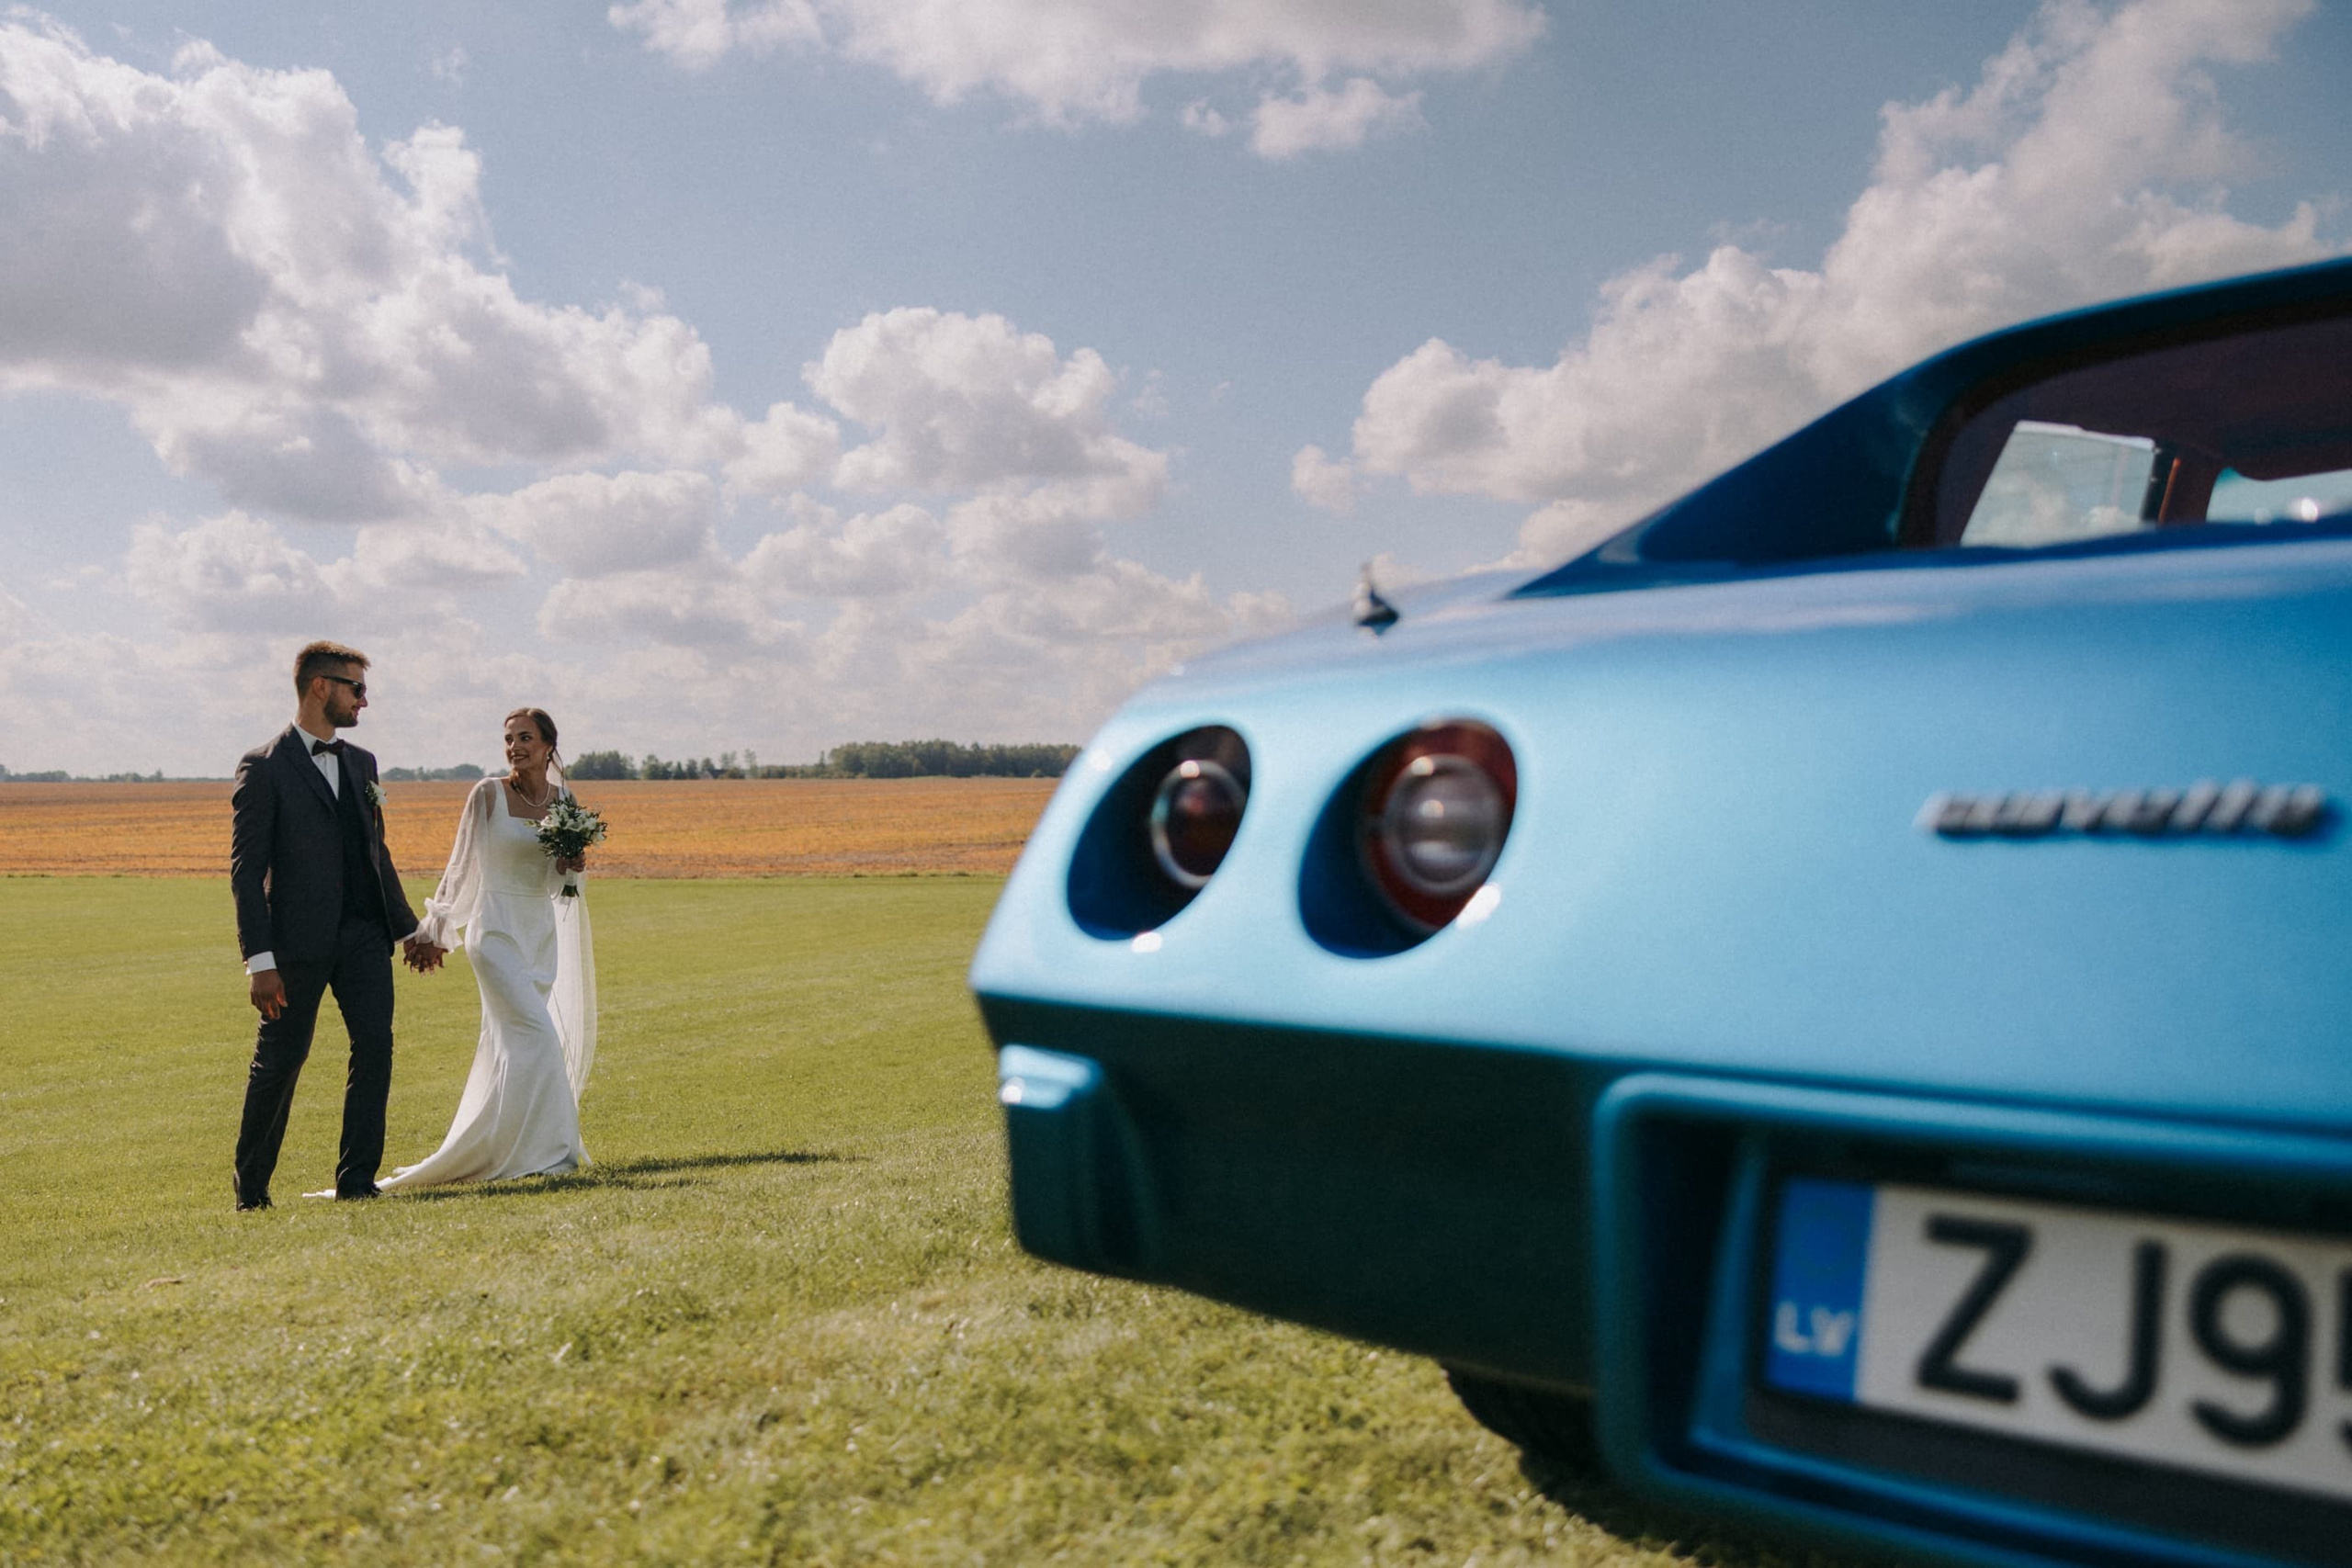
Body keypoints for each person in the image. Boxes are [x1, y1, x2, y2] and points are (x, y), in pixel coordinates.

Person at [230, 641, 442, 1209]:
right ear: (321, 687)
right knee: (280, 1062)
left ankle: (357, 1181)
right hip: (293, 947)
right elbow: (247, 874)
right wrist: (260, 961)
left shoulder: (362, 763)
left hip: (365, 940)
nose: (364, 702)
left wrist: (409, 930)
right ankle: (251, 1192)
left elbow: (377, 854)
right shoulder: (265, 767)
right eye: (357, 688)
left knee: (375, 1050)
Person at [379, 707, 595, 1190]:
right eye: (508, 739)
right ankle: (556, 1151)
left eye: (525, 737)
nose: (515, 746)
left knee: (514, 1046)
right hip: (493, 930)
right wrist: (435, 930)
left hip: (538, 934)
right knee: (540, 1036)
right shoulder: (487, 794)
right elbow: (460, 867)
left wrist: (571, 862)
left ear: (547, 746)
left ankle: (501, 1144)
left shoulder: (567, 801)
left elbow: (560, 884)